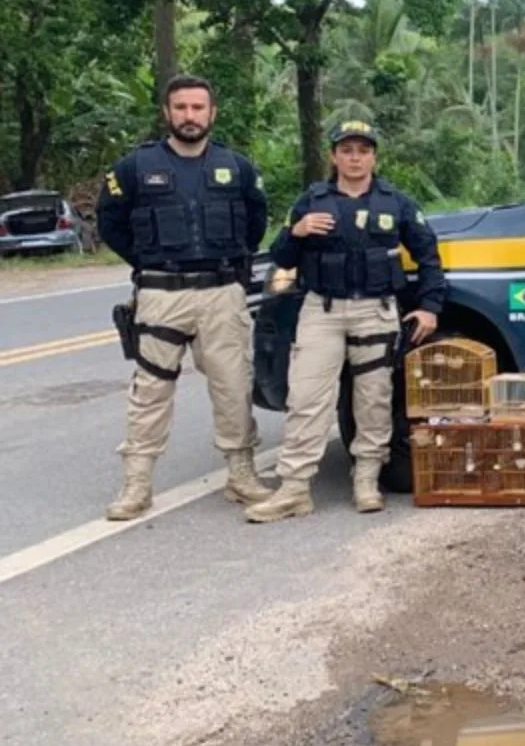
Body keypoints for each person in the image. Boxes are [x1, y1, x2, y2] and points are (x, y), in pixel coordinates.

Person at [245, 120, 447, 521]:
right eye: (347, 150)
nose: (355, 158)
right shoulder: (312, 200)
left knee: (373, 399)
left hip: (375, 312)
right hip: (322, 311)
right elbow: (282, 257)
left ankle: (367, 480)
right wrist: (297, 231)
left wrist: (429, 307)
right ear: (334, 156)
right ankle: (294, 488)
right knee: (305, 399)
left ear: (374, 156)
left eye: (363, 150)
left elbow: (429, 258)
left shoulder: (397, 203)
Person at [96, 74, 273, 521]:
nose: (189, 116)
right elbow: (110, 223)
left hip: (222, 293)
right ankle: (137, 483)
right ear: (167, 113)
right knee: (150, 390)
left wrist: (231, 262)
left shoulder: (237, 167)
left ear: (212, 113)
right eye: (181, 108)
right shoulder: (133, 168)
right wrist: (150, 260)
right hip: (161, 293)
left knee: (233, 386)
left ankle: (242, 473)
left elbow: (255, 222)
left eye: (198, 107)